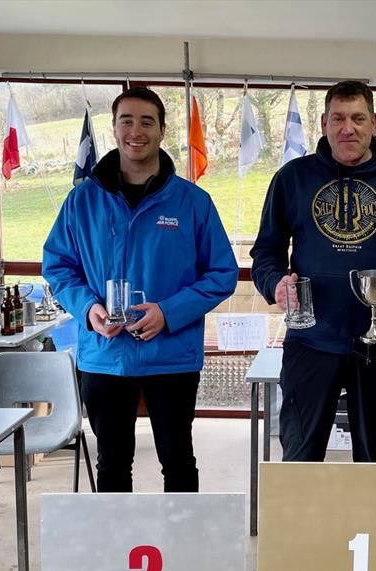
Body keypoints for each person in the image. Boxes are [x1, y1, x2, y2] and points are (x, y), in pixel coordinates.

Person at [43, 87, 239, 492]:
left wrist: (169, 312)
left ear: (162, 131)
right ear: (114, 129)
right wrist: (88, 310)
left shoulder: (193, 202)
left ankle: (182, 548)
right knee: (112, 464)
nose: (136, 130)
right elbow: (58, 265)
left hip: (172, 356)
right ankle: (117, 553)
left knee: (178, 460)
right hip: (104, 356)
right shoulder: (82, 201)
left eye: (147, 121)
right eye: (126, 120)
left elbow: (222, 272)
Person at [251, 80, 376, 463]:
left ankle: (369, 525)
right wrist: (276, 285)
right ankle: (302, 526)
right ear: (323, 123)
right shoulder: (292, 179)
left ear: (373, 122)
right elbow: (266, 253)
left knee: (373, 457)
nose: (347, 128)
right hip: (310, 340)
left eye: (357, 118)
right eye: (338, 118)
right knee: (300, 455)